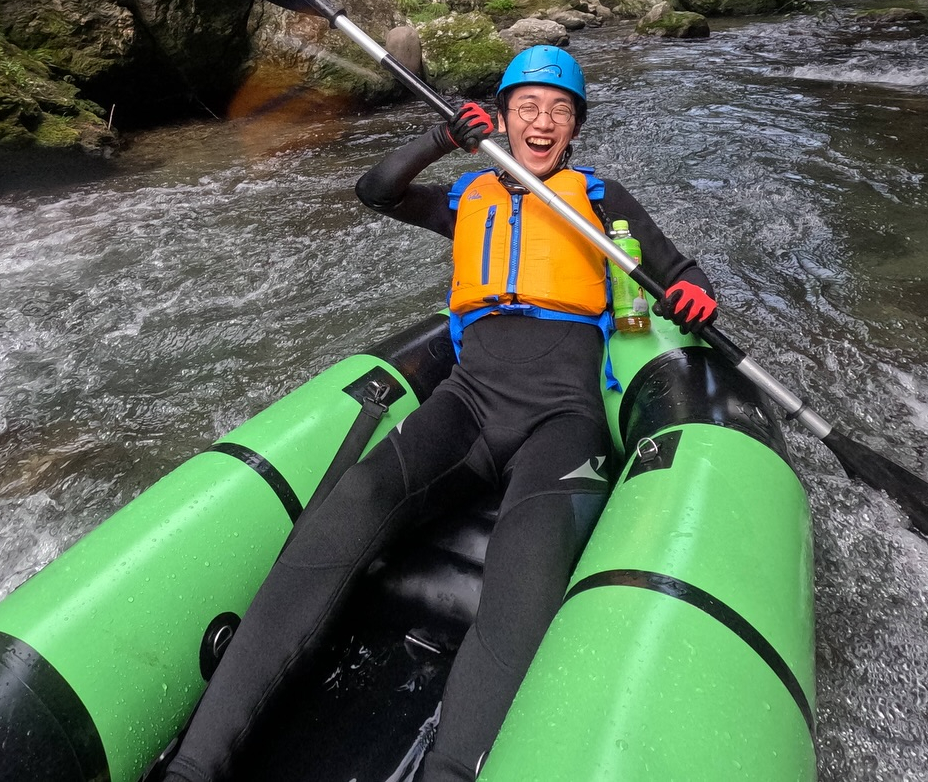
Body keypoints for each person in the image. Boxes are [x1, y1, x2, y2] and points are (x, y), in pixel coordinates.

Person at [165, 45, 718, 782]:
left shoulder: (600, 198)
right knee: (356, 497)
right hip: (468, 401)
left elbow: (678, 271)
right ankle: (194, 766)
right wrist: (439, 138)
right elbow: (377, 189)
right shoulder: (469, 197)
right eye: (527, 106)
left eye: (559, 109)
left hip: (564, 418)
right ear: (506, 116)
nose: (542, 120)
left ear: (575, 125)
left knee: (527, 570)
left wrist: (696, 294)